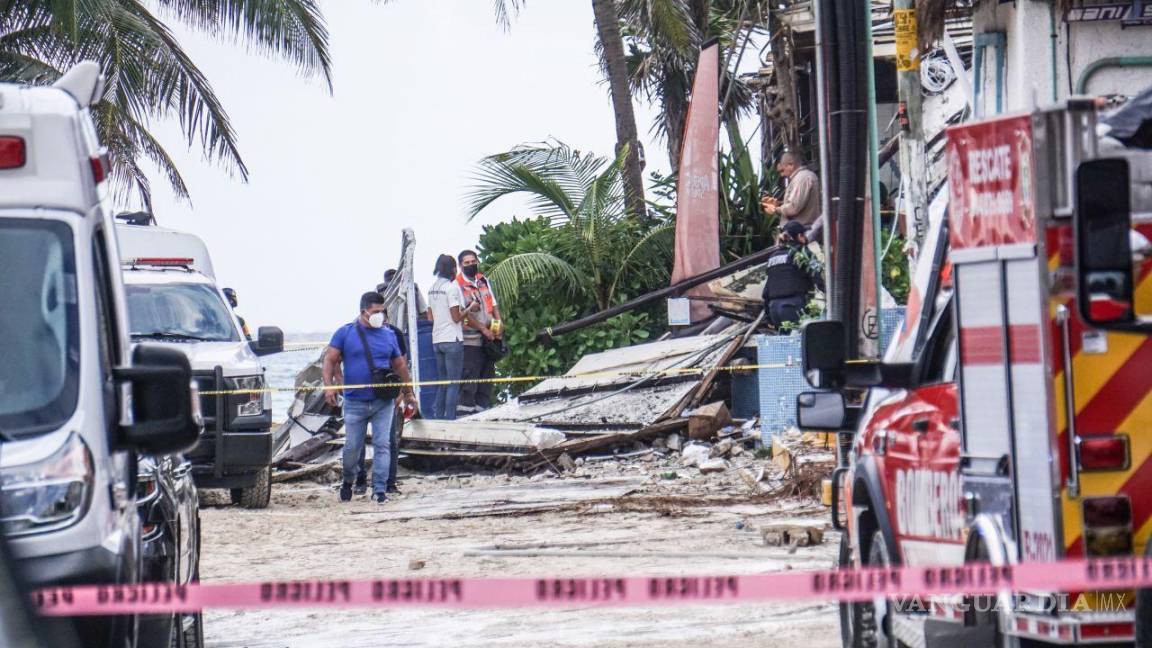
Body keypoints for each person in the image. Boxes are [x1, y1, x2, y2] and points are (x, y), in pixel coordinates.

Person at [322, 292, 418, 503]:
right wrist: (329, 387)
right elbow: (329, 360)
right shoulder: (345, 333)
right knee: (352, 447)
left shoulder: (389, 335)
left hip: (383, 401)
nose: (380, 316)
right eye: (376, 312)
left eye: (383, 312)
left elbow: (400, 365)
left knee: (382, 444)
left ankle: (380, 489)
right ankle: (348, 480)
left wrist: (408, 392)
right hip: (355, 401)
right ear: (363, 312)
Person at [456, 250, 501, 415]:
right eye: (466, 263)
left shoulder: (483, 280)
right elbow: (462, 315)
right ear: (460, 265)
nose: (470, 265)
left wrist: (498, 324)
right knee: (470, 379)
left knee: (487, 376)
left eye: (473, 261)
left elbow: (493, 305)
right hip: (470, 339)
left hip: (489, 337)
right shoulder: (457, 284)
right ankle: (466, 414)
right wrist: (482, 329)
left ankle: (483, 411)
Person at [428, 254, 473, 419]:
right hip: (452, 339)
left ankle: (439, 419)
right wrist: (469, 308)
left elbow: (430, 317)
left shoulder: (432, 288)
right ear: (453, 269)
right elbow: (456, 317)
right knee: (454, 383)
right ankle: (450, 420)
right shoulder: (451, 287)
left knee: (442, 383)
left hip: (437, 339)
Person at [762, 221, 825, 331]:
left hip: (774, 309)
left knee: (785, 345)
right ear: (799, 236)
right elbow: (818, 277)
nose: (805, 237)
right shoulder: (802, 252)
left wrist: (768, 317)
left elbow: (767, 290)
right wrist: (830, 296)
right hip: (792, 307)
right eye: (804, 234)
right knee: (802, 343)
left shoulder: (773, 257)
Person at [761, 152, 821, 227]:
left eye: (782, 170)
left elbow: (794, 207)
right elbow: (800, 202)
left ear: (791, 165)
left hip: (802, 231)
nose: (782, 175)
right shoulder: (804, 177)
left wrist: (775, 209)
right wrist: (778, 203)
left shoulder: (801, 179)